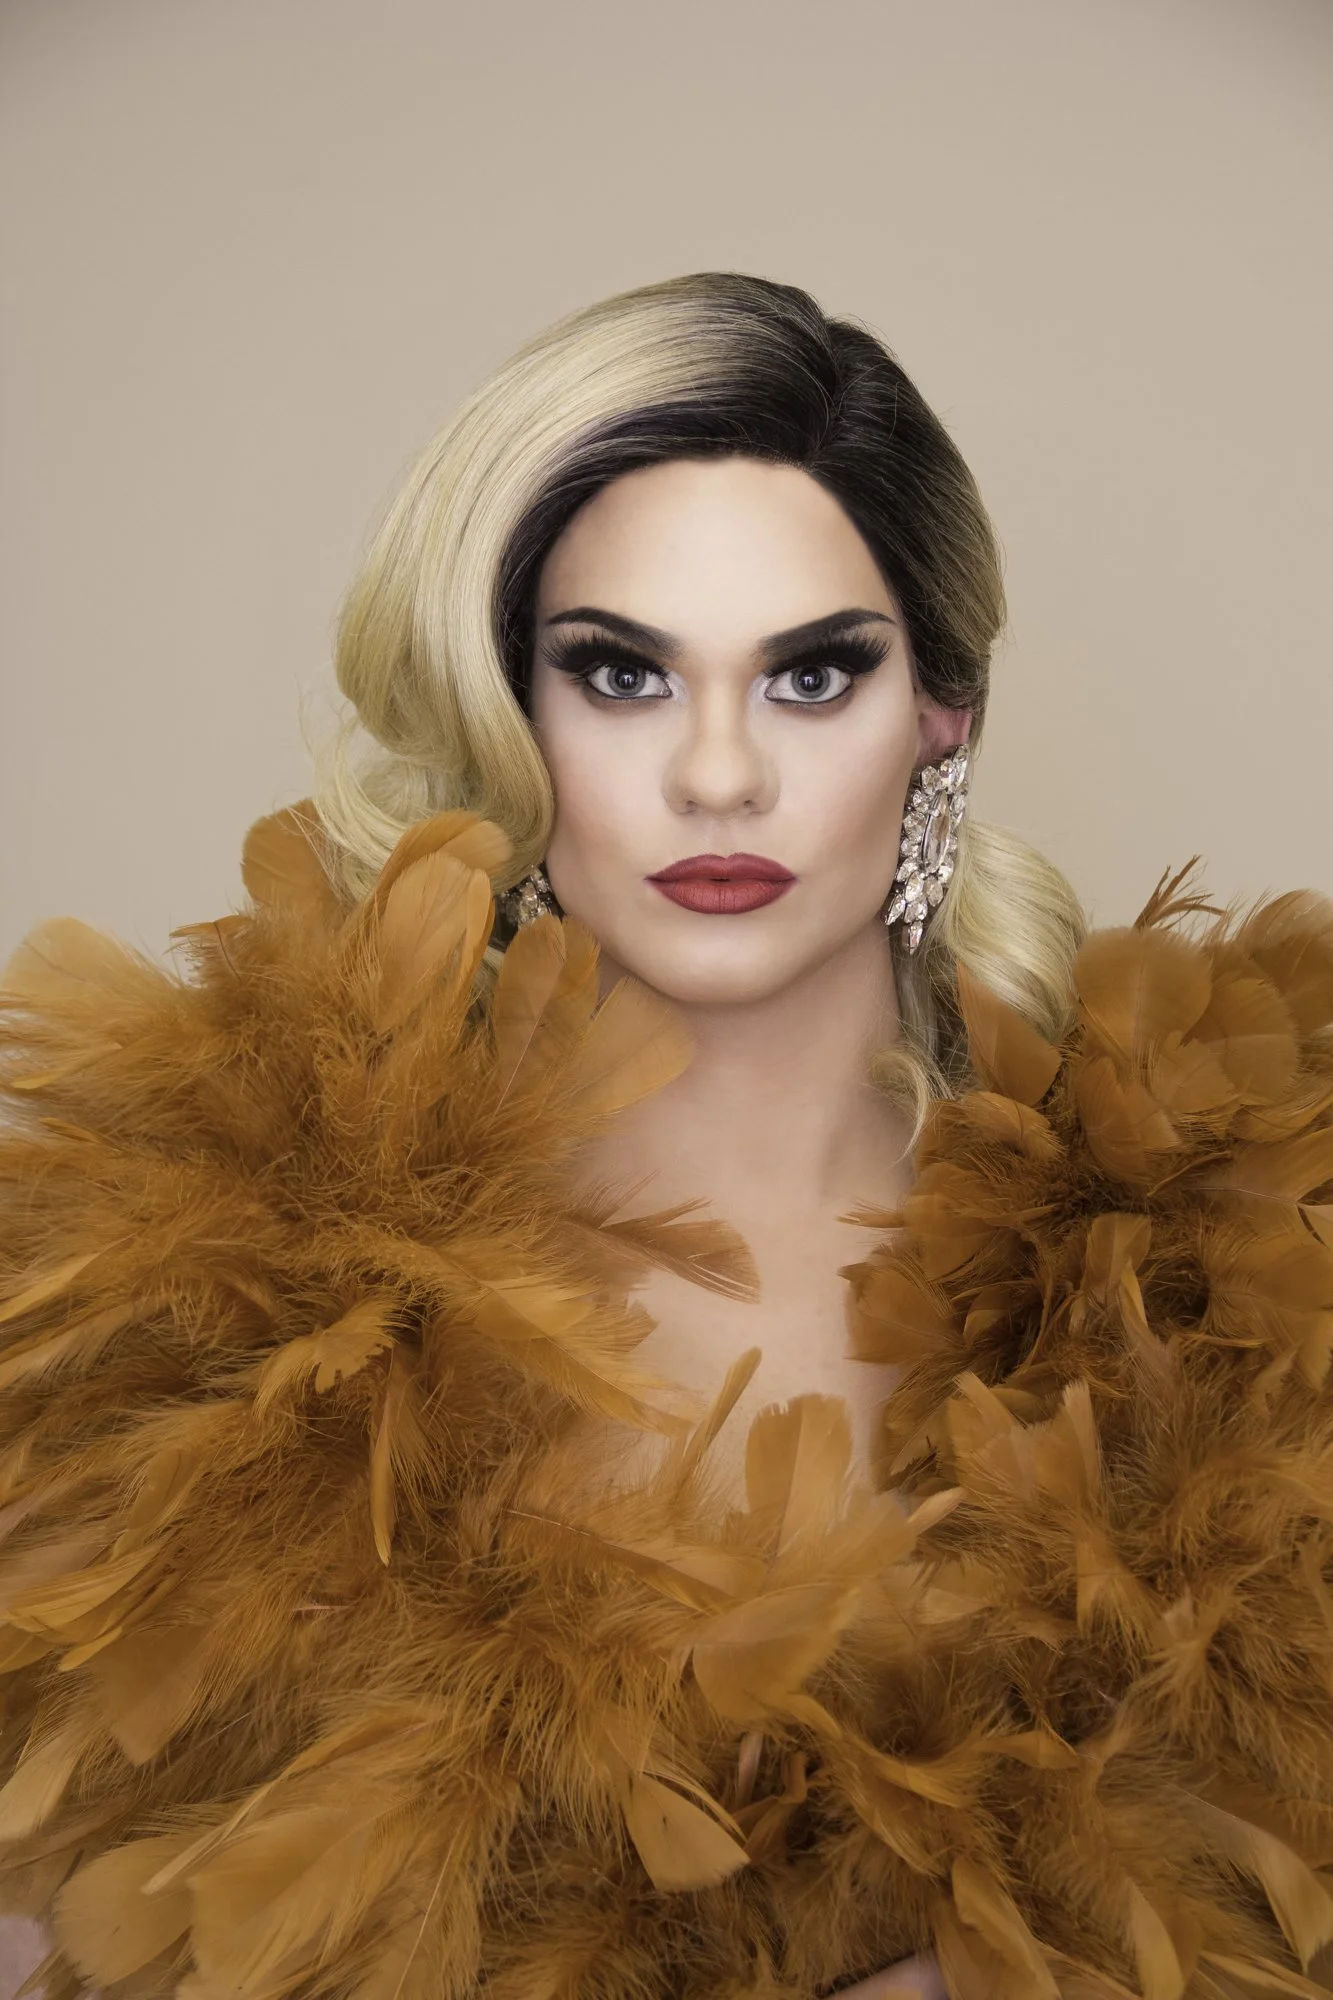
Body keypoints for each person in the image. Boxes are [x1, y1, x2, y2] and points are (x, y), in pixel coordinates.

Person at [0, 273, 1330, 2000]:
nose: (717, 775)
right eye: (621, 673)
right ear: (508, 711)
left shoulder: (1240, 1285)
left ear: (944, 712)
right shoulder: (195, 1321)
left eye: (812, 675)